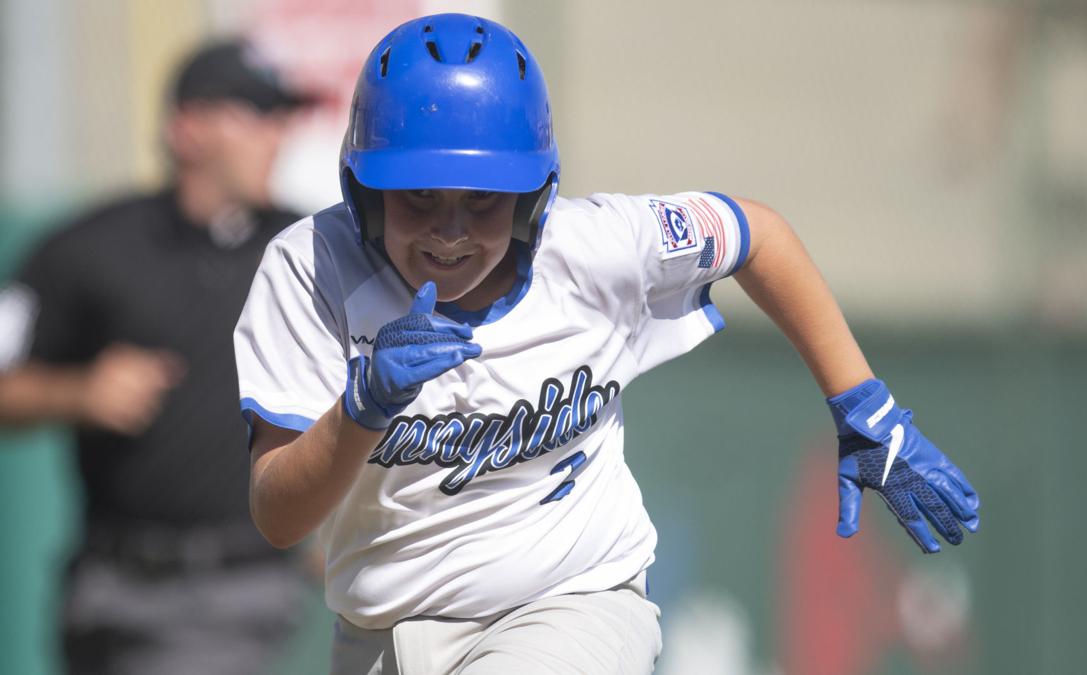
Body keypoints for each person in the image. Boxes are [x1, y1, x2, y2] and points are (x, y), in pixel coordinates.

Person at [235, 13, 981, 674]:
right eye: (420, 193)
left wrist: (863, 403)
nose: (451, 229)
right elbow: (280, 515)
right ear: (364, 188)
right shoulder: (310, 269)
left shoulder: (599, 246)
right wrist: (360, 409)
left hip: (572, 606)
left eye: (484, 198)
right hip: (380, 635)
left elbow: (758, 236)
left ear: (534, 195)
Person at [0, 38, 313, 675]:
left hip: (233, 587)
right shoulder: (85, 248)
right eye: (256, 113)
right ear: (188, 127)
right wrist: (78, 392)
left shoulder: (308, 251)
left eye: (283, 116)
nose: (276, 135)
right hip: (102, 588)